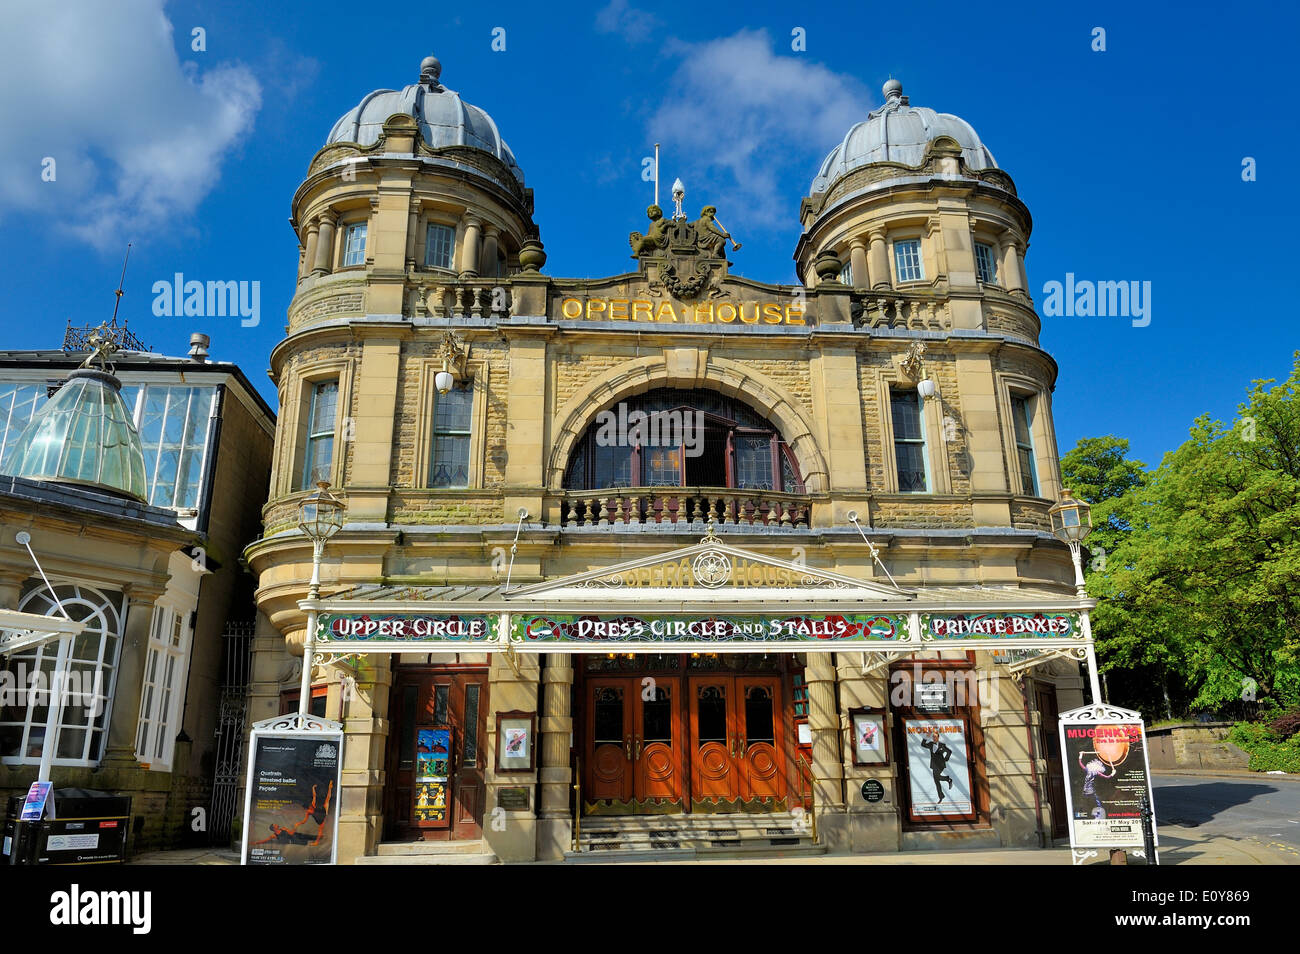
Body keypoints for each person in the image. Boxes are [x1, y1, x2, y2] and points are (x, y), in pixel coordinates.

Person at [920, 727, 954, 802]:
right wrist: (926, 736)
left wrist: (946, 759)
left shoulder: (942, 745)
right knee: (936, 780)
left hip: (940, 765)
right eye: (933, 736)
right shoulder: (931, 744)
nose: (934, 738)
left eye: (935, 736)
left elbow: (949, 752)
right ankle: (947, 780)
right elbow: (922, 744)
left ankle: (941, 795)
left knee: (936, 779)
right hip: (934, 765)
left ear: (938, 737)